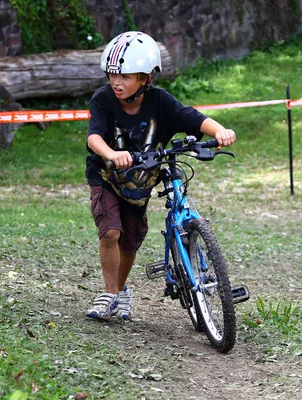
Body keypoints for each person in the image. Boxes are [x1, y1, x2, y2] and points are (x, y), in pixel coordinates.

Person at [85, 31, 236, 321]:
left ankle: (121, 290)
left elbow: (194, 118)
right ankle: (110, 293)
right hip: (106, 177)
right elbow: (94, 137)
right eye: (112, 75)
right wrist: (112, 154)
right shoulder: (103, 99)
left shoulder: (160, 102)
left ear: (146, 78)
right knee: (111, 232)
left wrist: (220, 131)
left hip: (140, 183)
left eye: (126, 76)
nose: (116, 82)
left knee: (130, 243)